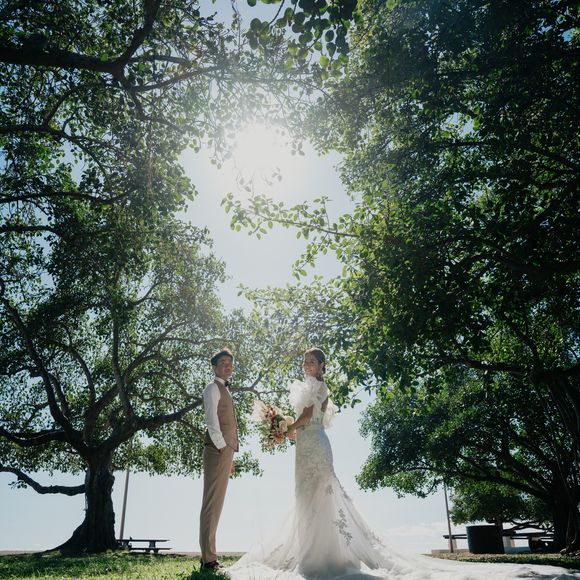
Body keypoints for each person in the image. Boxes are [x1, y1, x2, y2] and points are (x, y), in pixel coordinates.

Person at [229, 348, 579, 580]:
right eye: (304, 361)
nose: (307, 365)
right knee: (305, 497)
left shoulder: (319, 388)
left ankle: (324, 556)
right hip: (303, 447)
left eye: (312, 361)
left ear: (322, 366)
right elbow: (300, 424)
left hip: (316, 446)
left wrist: (287, 425)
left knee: (321, 495)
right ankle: (312, 551)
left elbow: (307, 417)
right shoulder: (302, 387)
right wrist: (285, 430)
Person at [199, 347, 239, 572]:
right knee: (211, 504)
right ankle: (208, 560)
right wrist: (223, 449)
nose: (227, 366)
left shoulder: (224, 389)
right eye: (223, 362)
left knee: (217, 504)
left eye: (230, 363)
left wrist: (229, 458)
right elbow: (212, 422)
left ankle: (209, 556)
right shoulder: (212, 388)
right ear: (214, 366)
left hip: (224, 452)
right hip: (217, 450)